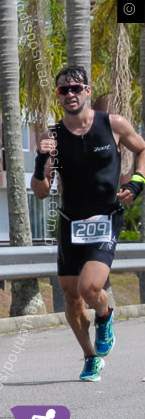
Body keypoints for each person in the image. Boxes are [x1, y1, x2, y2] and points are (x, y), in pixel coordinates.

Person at [31, 64, 145, 382]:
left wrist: (137, 182)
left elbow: (142, 149)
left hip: (106, 218)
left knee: (90, 287)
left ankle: (105, 315)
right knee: (71, 296)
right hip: (70, 221)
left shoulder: (113, 124)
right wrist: (41, 161)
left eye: (75, 88)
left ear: (87, 91)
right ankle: (90, 357)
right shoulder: (52, 136)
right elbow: (39, 192)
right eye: (63, 90)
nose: (70, 94)